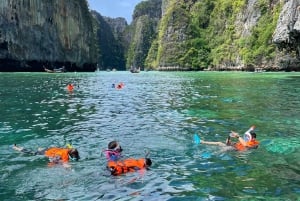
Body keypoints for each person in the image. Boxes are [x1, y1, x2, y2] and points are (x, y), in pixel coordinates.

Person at [12, 144, 80, 164]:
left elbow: (69, 145)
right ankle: (17, 148)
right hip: (46, 153)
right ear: (72, 154)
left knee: (40, 150)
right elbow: (65, 164)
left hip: (49, 149)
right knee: (32, 153)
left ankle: (39, 149)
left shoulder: (67, 149)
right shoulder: (65, 156)